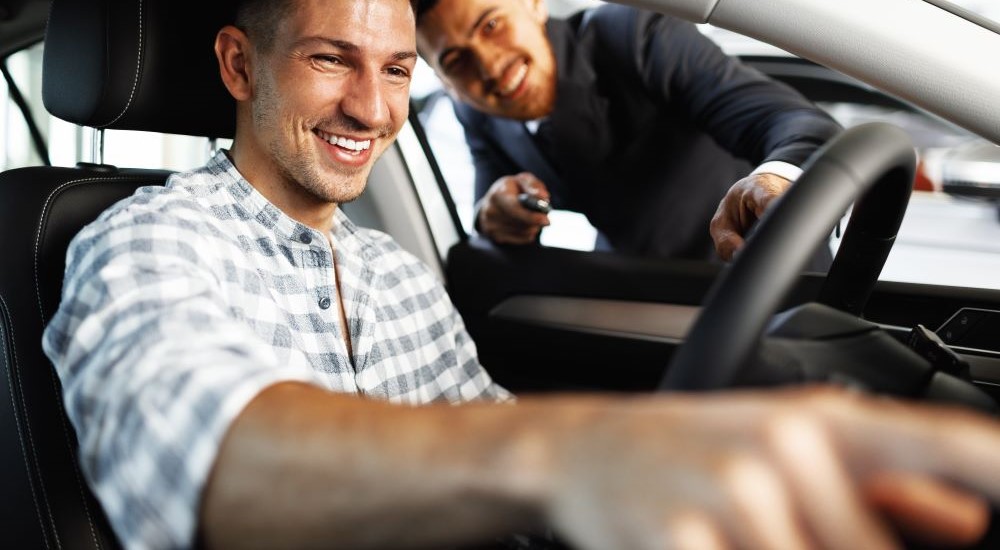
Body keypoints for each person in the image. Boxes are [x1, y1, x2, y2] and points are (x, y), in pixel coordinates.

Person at [41, 0, 1000, 548]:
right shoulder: (144, 242)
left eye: (398, 70)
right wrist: (568, 454)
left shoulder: (395, 271)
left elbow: (488, 425)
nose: (374, 110)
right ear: (240, 66)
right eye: (333, 61)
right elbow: (194, 449)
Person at [413, 0, 842, 264]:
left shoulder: (631, 34)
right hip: (637, 292)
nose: (488, 66)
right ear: (443, 80)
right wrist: (496, 216)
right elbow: (490, 213)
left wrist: (774, 180)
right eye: (456, 61)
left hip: (766, 276)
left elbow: (800, 124)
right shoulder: (476, 114)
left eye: (491, 25)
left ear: (533, 3)